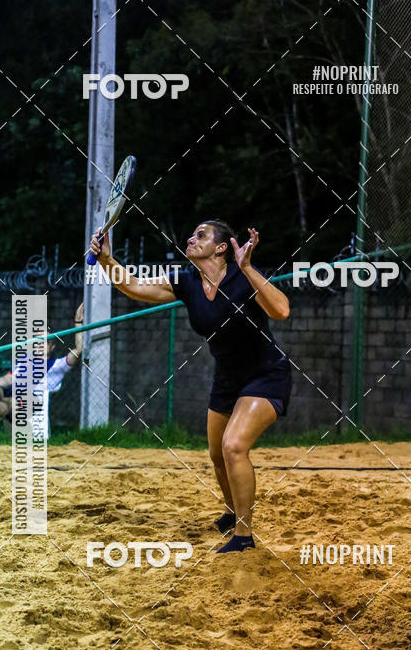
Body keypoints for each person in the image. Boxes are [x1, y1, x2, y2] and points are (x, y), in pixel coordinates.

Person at [89, 220, 291, 553]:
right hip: (227, 378)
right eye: (192, 233)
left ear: (221, 247)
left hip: (266, 373)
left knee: (233, 447)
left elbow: (281, 309)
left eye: (201, 235)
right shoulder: (186, 282)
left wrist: (249, 268)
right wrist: (108, 260)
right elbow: (136, 287)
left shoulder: (243, 277)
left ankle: (244, 536)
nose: (191, 238)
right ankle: (231, 510)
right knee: (216, 455)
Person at [0, 302, 84, 433]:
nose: (39, 345)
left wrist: (78, 322)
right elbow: (9, 378)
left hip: (31, 399)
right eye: (36, 342)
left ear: (51, 347)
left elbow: (78, 349)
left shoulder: (57, 365)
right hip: (12, 390)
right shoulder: (24, 359)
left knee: (9, 404)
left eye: (44, 342)